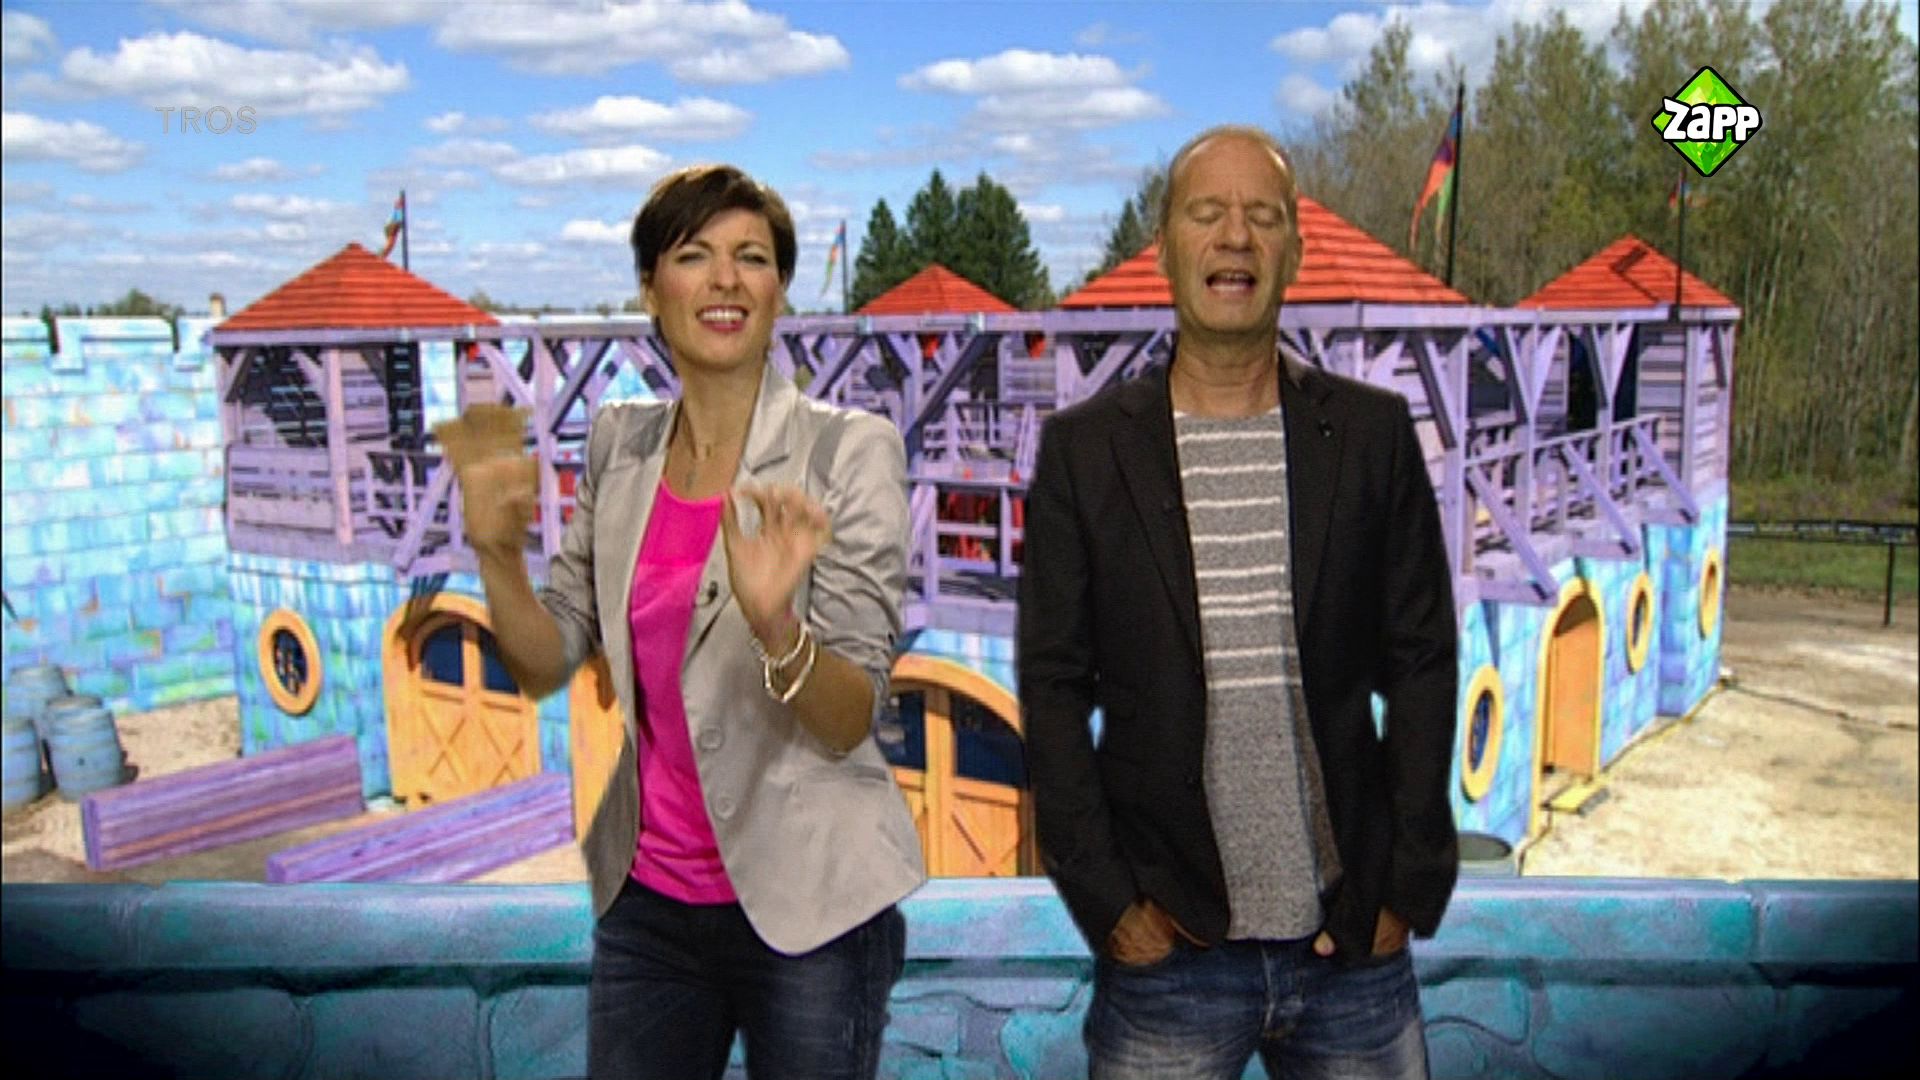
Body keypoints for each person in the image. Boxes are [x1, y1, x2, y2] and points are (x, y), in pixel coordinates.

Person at [449, 164, 924, 1080]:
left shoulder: (848, 450)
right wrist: (498, 554)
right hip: (650, 906)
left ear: (779, 291)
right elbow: (549, 657)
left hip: (813, 911)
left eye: (753, 257)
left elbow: (848, 716)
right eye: (695, 254)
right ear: (650, 288)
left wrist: (776, 624)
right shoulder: (618, 441)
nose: (726, 279)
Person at [1018, 125, 1460, 1079]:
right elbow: (1052, 689)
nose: (1235, 237)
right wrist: (1108, 902)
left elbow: (1422, 662)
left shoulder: (1374, 436)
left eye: (1263, 215)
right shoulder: (1085, 453)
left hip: (1354, 950)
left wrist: (1407, 883)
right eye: (1207, 213)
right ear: (1164, 245)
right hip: (1168, 956)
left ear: (1293, 250)